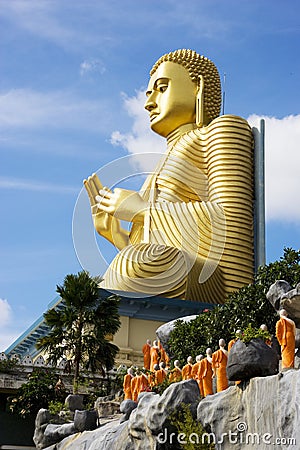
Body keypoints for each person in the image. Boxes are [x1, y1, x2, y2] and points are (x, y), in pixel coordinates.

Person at [84, 49, 254, 304]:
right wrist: (116, 234)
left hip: (212, 281)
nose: (149, 103)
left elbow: (231, 221)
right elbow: (161, 246)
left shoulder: (222, 130)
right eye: (149, 94)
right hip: (172, 267)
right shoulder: (162, 161)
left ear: (197, 86)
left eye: (162, 89)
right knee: (117, 273)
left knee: (131, 264)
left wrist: (143, 211)